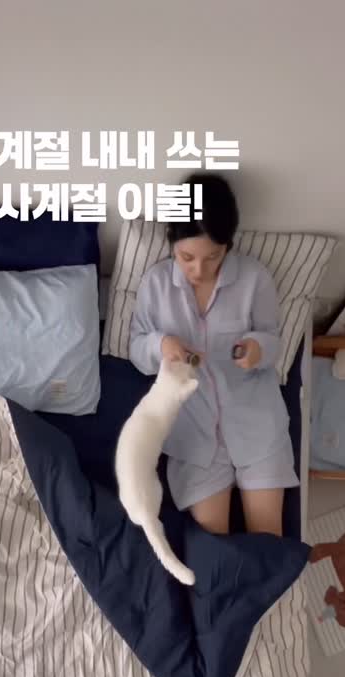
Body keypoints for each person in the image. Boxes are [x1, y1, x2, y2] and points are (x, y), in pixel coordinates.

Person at [129, 173, 298, 536]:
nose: (199, 270)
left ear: (228, 245)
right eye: (186, 257)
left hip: (257, 424)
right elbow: (137, 351)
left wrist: (257, 349)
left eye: (213, 257)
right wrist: (161, 344)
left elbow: (273, 342)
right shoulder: (156, 284)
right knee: (212, 548)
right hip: (192, 434)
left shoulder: (255, 279)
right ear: (171, 241)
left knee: (267, 541)